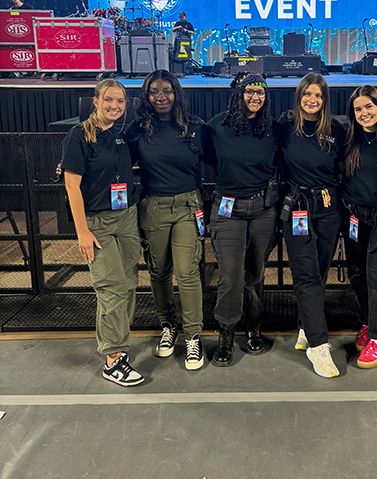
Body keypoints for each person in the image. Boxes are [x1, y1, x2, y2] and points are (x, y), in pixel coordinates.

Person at [61, 79, 144, 386]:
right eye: (108, 100)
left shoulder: (120, 136)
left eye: (120, 101)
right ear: (95, 101)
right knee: (111, 289)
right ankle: (113, 359)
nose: (114, 106)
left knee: (129, 285)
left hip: (126, 219)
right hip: (97, 224)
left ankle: (119, 346)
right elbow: (72, 185)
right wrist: (82, 231)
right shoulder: (79, 136)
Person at [126, 70, 206, 370]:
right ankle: (168, 326)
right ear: (146, 96)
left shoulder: (195, 128)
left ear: (177, 94)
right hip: (154, 208)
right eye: (154, 92)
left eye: (168, 91)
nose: (161, 97)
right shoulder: (137, 131)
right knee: (159, 271)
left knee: (187, 272)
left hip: (188, 205)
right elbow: (115, 162)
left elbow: (220, 158)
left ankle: (193, 336)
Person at [205, 73, 279, 366]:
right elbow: (208, 159)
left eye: (260, 93)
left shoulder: (272, 128)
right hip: (227, 210)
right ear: (238, 93)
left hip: (263, 209)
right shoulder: (216, 127)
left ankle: (254, 326)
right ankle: (226, 331)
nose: (255, 98)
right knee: (230, 275)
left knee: (255, 273)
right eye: (249, 92)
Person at [278, 73, 346, 378]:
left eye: (318, 95)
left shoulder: (337, 130)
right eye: (307, 94)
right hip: (298, 207)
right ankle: (319, 347)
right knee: (305, 274)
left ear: (325, 100)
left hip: (329, 207)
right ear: (299, 96)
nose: (312, 100)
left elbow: (345, 167)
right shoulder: (284, 127)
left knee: (319, 272)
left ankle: (307, 326)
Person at [342, 85, 377, 370]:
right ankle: (366, 323)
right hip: (353, 217)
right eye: (358, 109)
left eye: (369, 106)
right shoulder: (347, 138)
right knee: (357, 274)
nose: (364, 113)